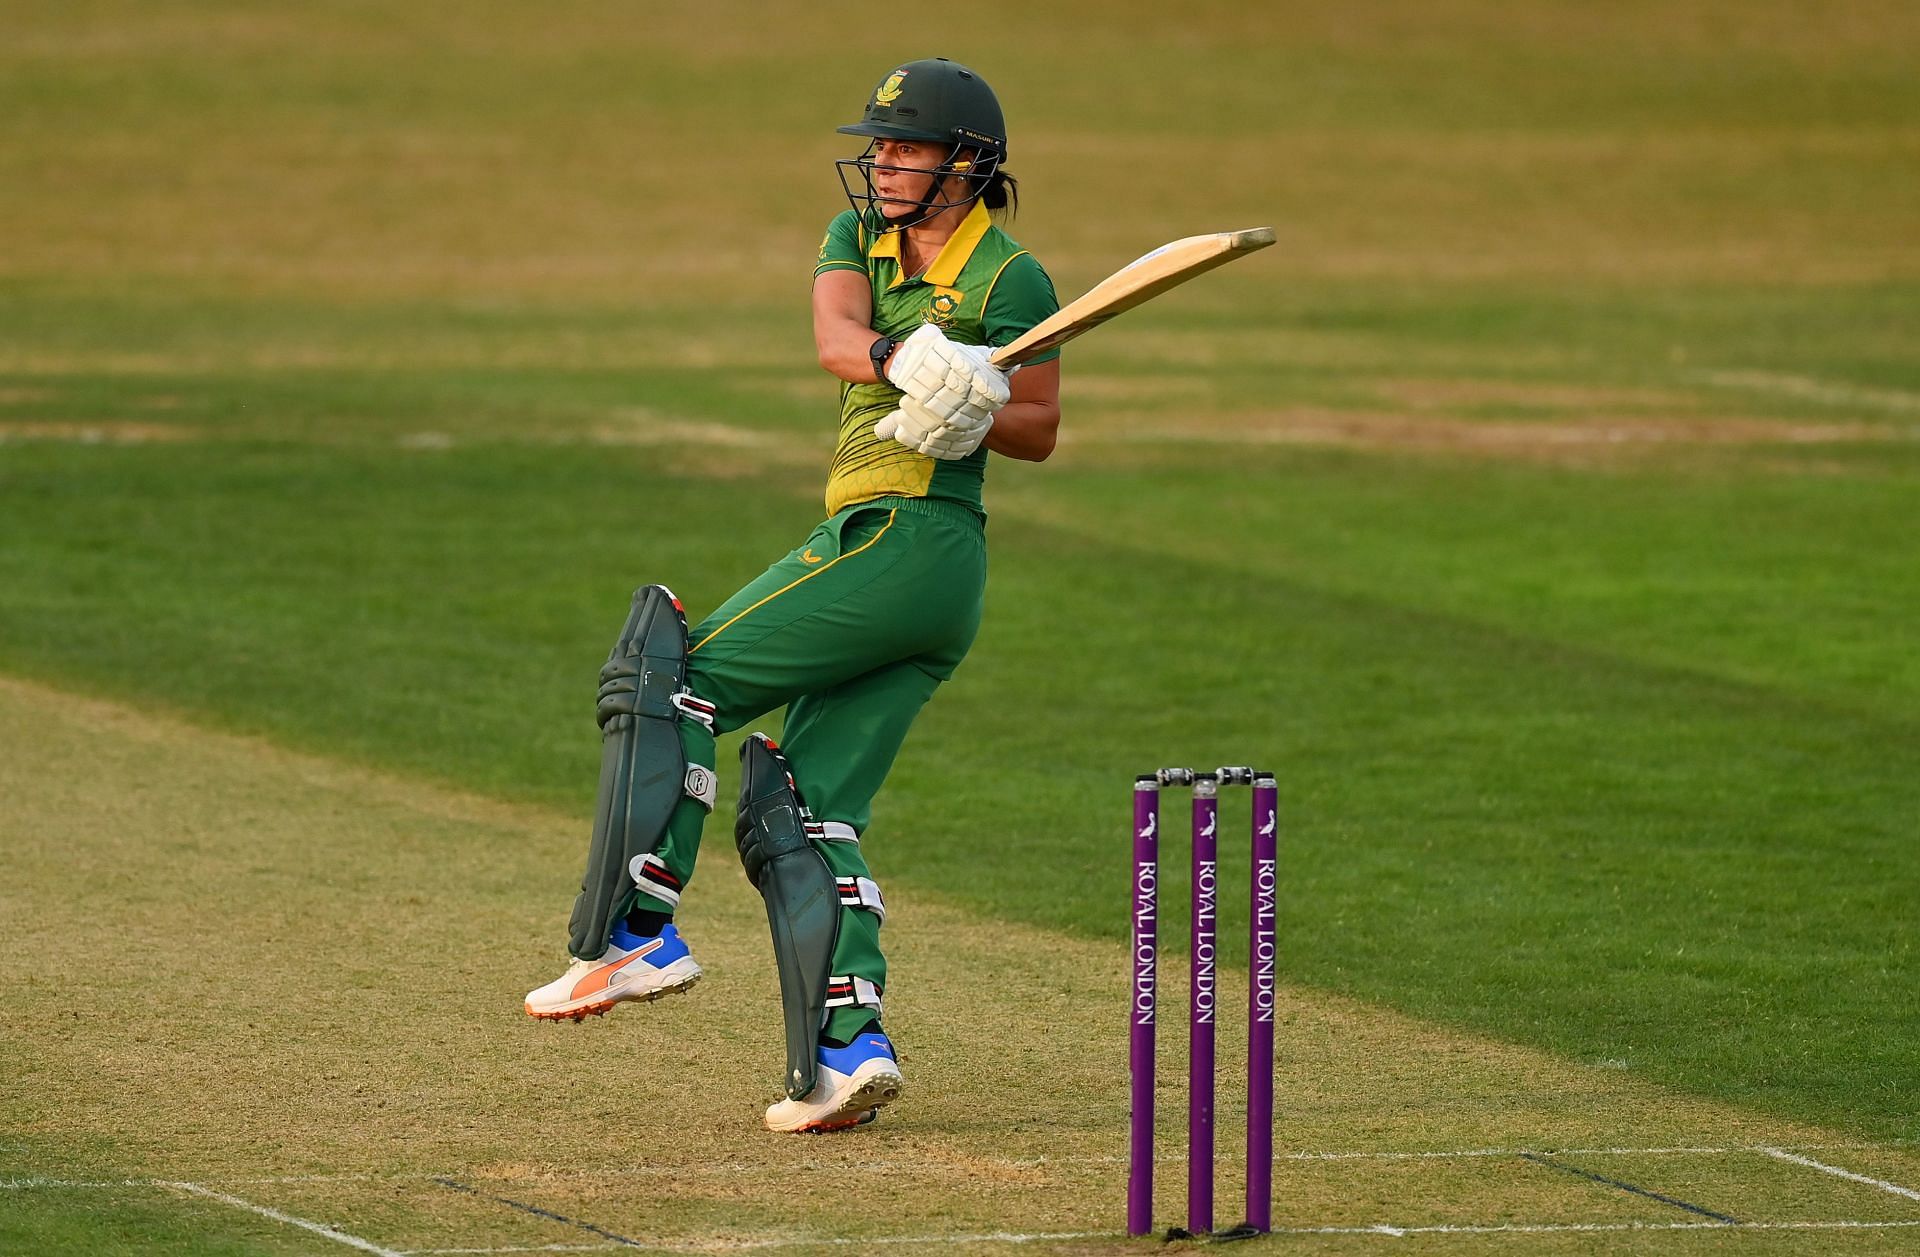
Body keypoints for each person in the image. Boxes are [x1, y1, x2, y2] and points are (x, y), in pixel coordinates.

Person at [523, 57, 1062, 1134]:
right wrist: (909, 363)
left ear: (967, 163)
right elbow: (833, 339)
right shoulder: (855, 237)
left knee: (668, 676)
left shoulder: (1015, 280)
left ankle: (636, 935)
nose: (883, 163)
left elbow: (1039, 427)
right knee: (804, 806)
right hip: (894, 557)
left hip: (911, 535)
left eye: (906, 147)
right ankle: (846, 1059)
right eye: (881, 145)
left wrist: (975, 412)